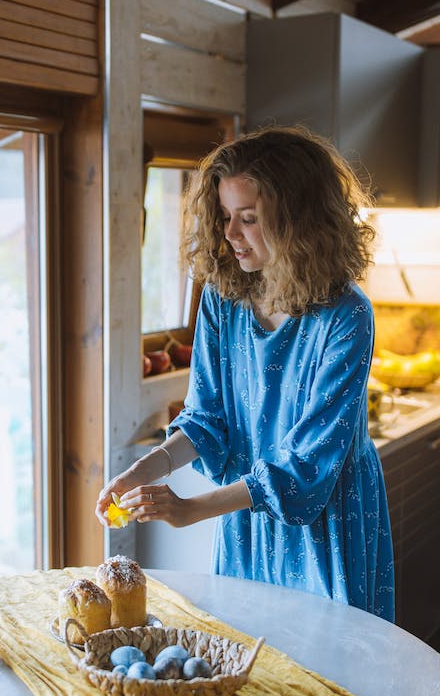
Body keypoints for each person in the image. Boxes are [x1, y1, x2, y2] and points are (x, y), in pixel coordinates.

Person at [95, 124, 394, 621]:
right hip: (248, 518)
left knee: (333, 677)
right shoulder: (222, 298)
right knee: (249, 661)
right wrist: (143, 470)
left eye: (249, 219)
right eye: (226, 216)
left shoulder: (346, 315)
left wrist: (192, 508)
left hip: (327, 523)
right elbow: (207, 418)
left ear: (299, 221)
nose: (231, 233)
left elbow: (307, 467)